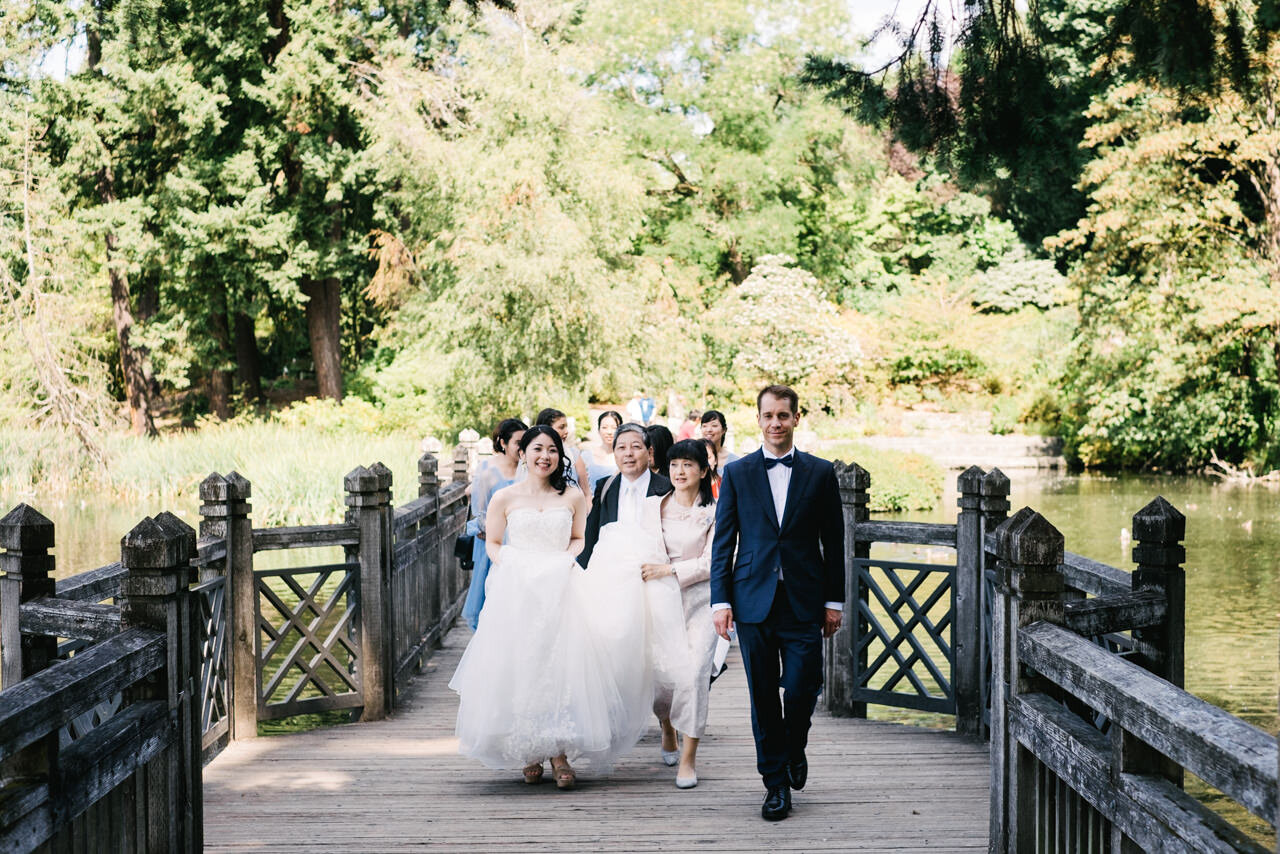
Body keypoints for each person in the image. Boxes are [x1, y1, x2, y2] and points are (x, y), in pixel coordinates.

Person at [450, 426, 651, 789]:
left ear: (560, 457)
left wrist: (562, 562)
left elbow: (578, 539)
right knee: (524, 663)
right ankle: (530, 750)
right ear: (523, 453)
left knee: (562, 664)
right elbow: (494, 543)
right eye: (537, 449)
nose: (545, 456)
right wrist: (512, 563)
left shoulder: (572, 496)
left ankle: (559, 751)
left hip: (560, 585)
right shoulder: (504, 498)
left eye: (552, 450)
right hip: (519, 588)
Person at [710, 384, 845, 821]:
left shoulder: (821, 473)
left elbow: (834, 541)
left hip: (804, 598)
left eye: (783, 416)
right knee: (763, 695)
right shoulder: (738, 473)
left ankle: (795, 746)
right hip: (752, 600)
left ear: (796, 419)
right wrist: (720, 601)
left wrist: (835, 601)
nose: (775, 424)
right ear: (758, 420)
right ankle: (775, 784)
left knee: (804, 685)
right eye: (768, 416)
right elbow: (723, 542)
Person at [638, 439, 718, 790]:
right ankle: (666, 725)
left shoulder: (717, 513)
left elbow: (712, 563)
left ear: (703, 470)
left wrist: (668, 571)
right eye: (674, 465)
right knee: (659, 681)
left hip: (700, 602)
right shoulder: (651, 507)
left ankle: (688, 759)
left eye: (688, 465)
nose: (680, 472)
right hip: (657, 603)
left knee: (695, 674)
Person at [461, 418, 526, 630]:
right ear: (503, 443)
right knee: (491, 600)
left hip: (523, 541)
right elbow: (480, 513)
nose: (522, 448)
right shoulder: (487, 469)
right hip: (494, 542)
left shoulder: (528, 468)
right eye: (518, 442)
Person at [578, 423, 672, 568]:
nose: (628, 453)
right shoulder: (605, 487)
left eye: (636, 447)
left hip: (654, 572)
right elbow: (591, 535)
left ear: (649, 451)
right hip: (612, 572)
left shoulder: (668, 488)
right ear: (614, 452)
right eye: (621, 448)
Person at [535, 408, 590, 498]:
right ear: (547, 428)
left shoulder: (574, 454)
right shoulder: (535, 457)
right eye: (561, 427)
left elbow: (586, 493)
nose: (566, 431)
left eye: (566, 427)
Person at [583, 410, 622, 490]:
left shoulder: (626, 458)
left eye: (614, 428)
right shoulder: (586, 456)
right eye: (604, 427)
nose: (609, 432)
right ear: (598, 430)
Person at [700, 410, 739, 475]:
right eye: (704, 426)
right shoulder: (693, 456)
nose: (709, 430)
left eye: (714, 426)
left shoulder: (734, 461)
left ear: (724, 430)